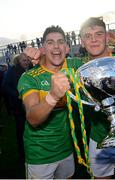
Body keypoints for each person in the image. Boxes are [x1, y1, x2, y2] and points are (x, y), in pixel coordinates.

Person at [23, 18, 115, 179]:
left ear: (107, 38)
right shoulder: (78, 67)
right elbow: (54, 60)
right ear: (81, 42)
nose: (93, 39)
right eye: (88, 36)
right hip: (97, 140)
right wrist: (38, 55)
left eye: (98, 34)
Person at [17, 25, 83, 179]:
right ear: (43, 48)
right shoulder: (30, 77)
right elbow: (32, 118)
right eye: (50, 42)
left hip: (67, 148)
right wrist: (53, 96)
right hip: (40, 153)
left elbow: (97, 62)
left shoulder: (74, 66)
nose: (56, 46)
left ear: (67, 47)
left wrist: (111, 44)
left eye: (60, 42)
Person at [2, 53, 32, 165]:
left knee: (34, 126)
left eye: (28, 60)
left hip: (31, 104)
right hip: (18, 106)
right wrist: (18, 95)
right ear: (18, 61)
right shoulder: (12, 70)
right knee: (21, 129)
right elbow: (5, 86)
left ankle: (35, 148)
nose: (26, 62)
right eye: (24, 60)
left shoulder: (31, 69)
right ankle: (22, 154)